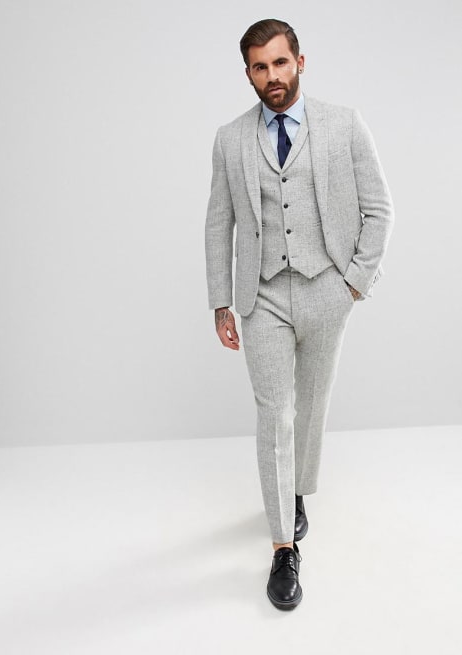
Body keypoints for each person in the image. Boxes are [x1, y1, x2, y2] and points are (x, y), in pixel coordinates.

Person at [204, 18, 394, 611]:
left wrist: (353, 284)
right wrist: (221, 299)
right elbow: (218, 223)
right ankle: (283, 547)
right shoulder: (230, 139)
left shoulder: (344, 124)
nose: (272, 76)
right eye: (260, 67)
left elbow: (380, 209)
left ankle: (297, 491)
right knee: (274, 414)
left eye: (280, 63)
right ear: (248, 74)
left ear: (300, 62)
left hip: (325, 290)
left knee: (311, 405)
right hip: (261, 297)